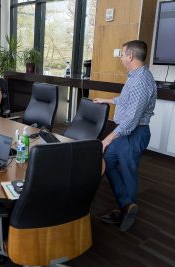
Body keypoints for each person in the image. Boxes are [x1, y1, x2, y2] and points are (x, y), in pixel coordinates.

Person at [94, 40, 157, 232]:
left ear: (130, 56)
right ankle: (126, 205)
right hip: (127, 132)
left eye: (122, 54)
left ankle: (126, 211)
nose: (120, 57)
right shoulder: (136, 76)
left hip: (134, 133)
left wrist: (108, 138)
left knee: (127, 171)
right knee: (109, 161)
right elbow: (127, 100)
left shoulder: (140, 80)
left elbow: (131, 119)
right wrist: (107, 99)